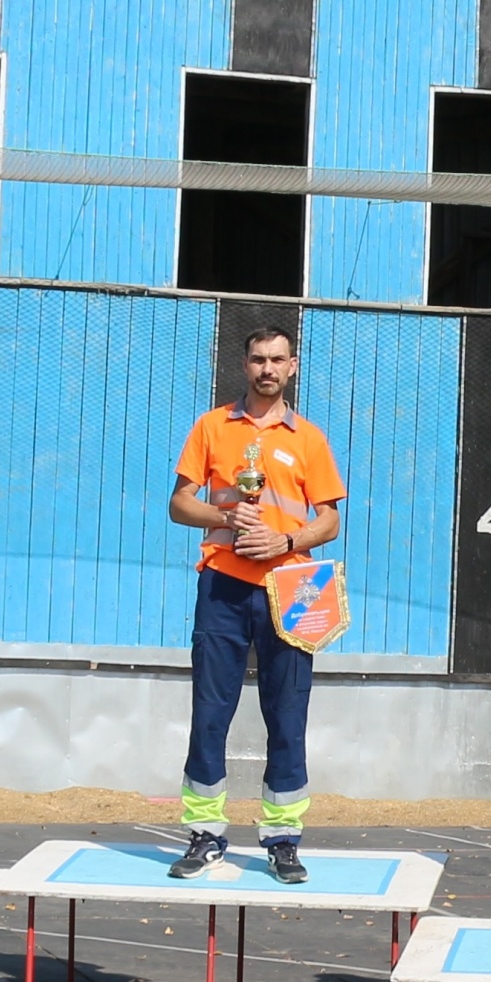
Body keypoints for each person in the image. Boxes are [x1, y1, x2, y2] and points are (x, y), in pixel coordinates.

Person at [166, 327, 345, 884]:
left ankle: (283, 838)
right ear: (244, 365)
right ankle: (205, 833)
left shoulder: (310, 438)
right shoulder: (212, 426)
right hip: (222, 585)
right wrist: (225, 518)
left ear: (292, 367)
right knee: (210, 713)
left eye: (277, 360)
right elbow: (179, 504)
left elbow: (330, 520)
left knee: (287, 716)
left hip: (291, 588)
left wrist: (287, 541)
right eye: (257, 359)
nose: (266, 368)